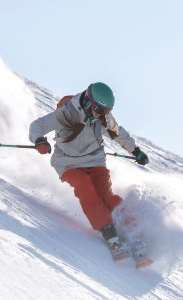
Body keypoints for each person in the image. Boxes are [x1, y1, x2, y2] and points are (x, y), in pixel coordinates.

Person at [29, 82, 149, 251]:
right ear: (88, 103)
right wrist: (39, 140)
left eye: (107, 112)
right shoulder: (66, 114)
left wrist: (136, 151)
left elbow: (118, 133)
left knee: (106, 195)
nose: (103, 115)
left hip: (94, 161)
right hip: (68, 162)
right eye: (100, 110)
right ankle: (108, 230)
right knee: (84, 187)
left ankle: (134, 231)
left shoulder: (103, 118)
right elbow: (37, 125)